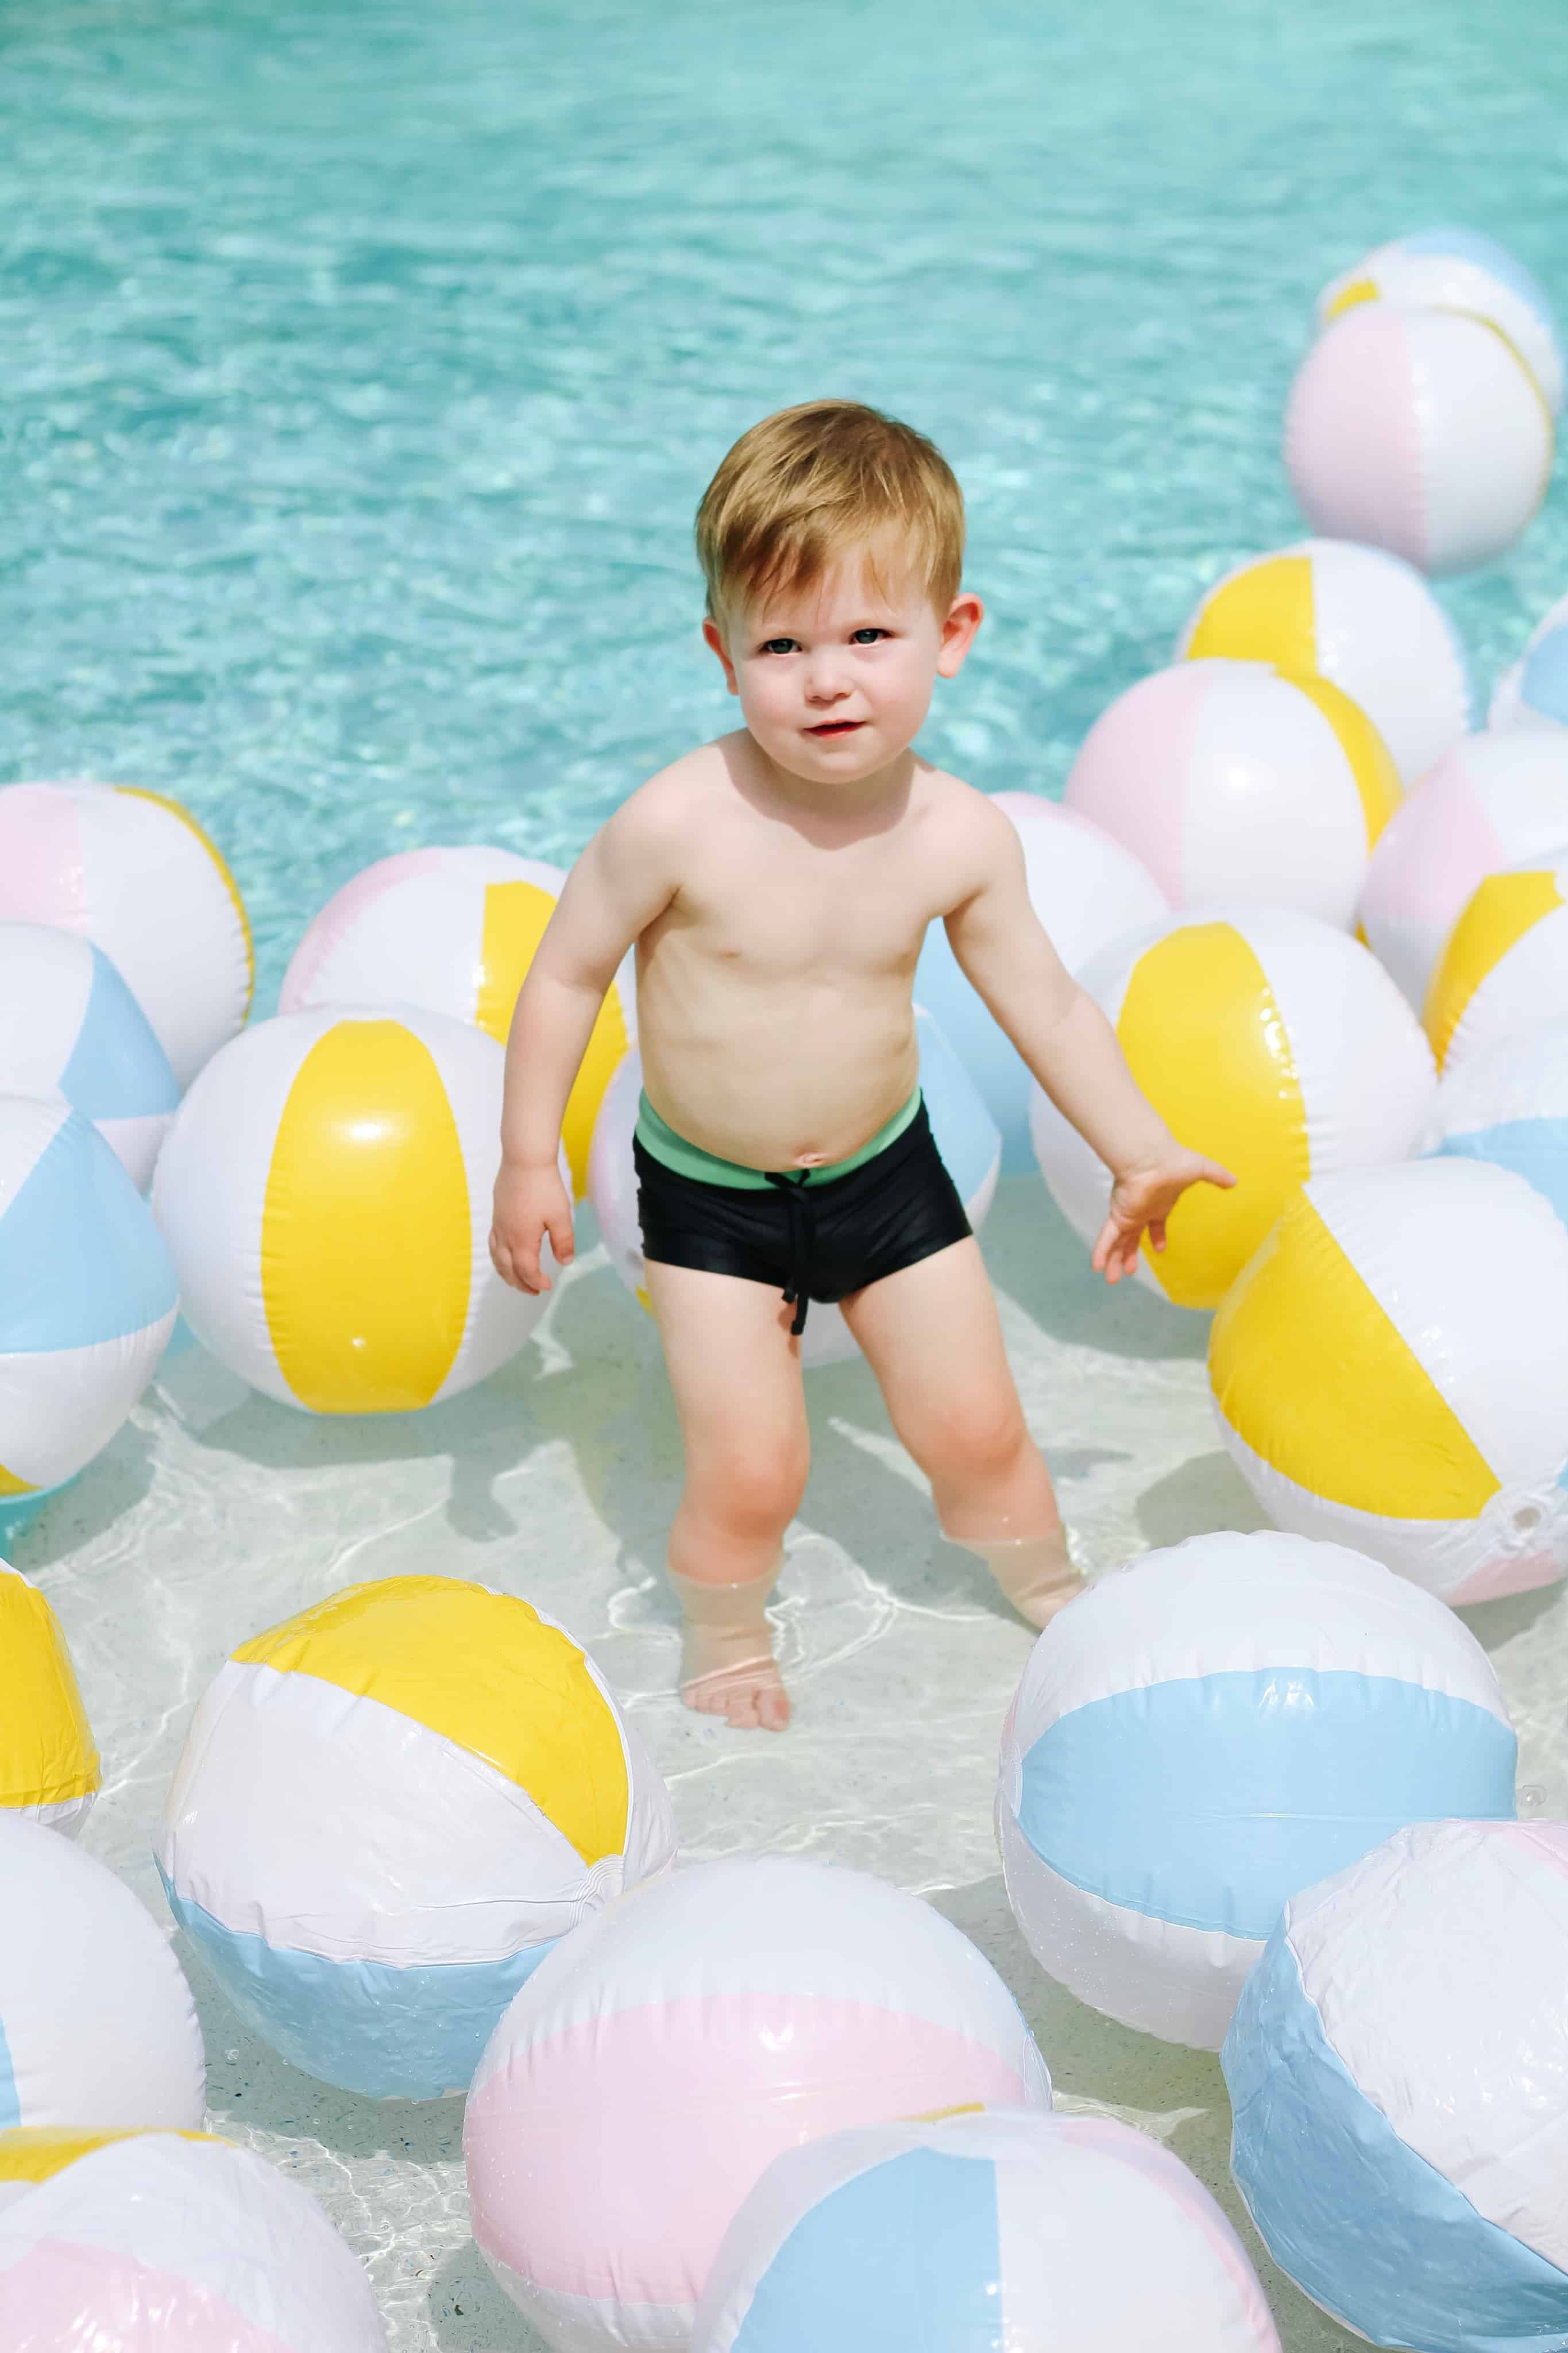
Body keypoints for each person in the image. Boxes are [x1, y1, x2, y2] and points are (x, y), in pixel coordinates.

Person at [490, 399, 1233, 1733]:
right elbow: (564, 973)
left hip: (889, 1177)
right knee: (753, 1469)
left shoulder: (956, 833)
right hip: (713, 1202)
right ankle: (723, 1635)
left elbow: (1049, 1006)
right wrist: (531, 1157)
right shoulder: (678, 822)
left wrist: (1139, 1147)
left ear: (951, 636)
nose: (827, 679)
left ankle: (1053, 1591)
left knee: (978, 1434)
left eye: (868, 636)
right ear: (724, 654)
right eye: (782, 643)